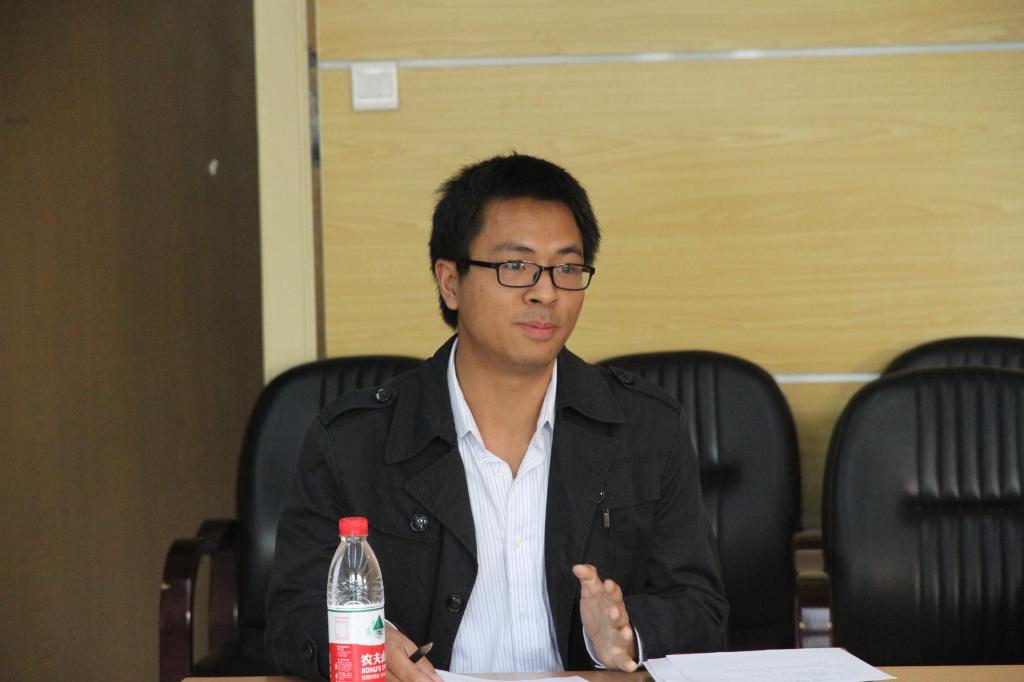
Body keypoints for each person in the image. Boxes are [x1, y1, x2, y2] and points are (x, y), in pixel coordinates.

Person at [265, 153, 727, 681]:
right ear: (450, 282)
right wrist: (361, 640)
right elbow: (292, 616)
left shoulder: (646, 429)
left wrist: (626, 633)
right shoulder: (352, 442)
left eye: (567, 268)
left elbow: (701, 608)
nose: (546, 292)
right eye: (516, 266)